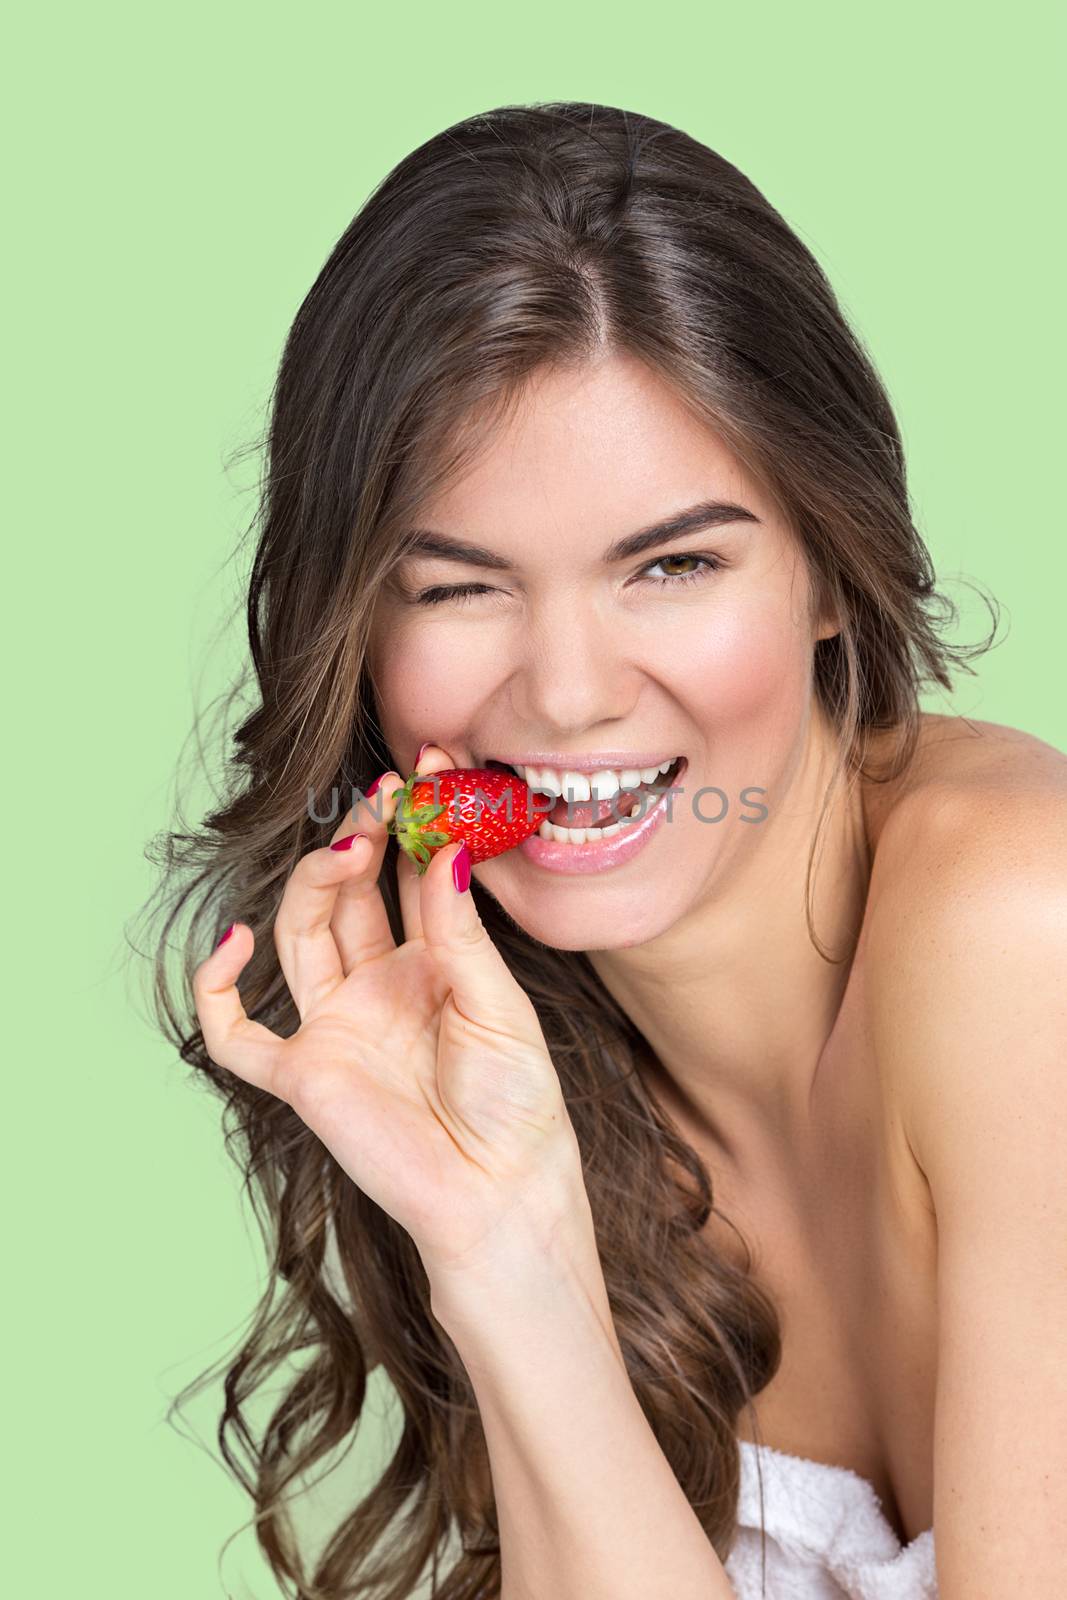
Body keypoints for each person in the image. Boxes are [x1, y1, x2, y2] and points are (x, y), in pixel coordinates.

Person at [141, 102, 1067, 1599]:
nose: (567, 693)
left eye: (674, 564)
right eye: (456, 589)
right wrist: (501, 1241)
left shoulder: (1028, 928)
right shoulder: (516, 1067)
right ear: (356, 641)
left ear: (835, 568)